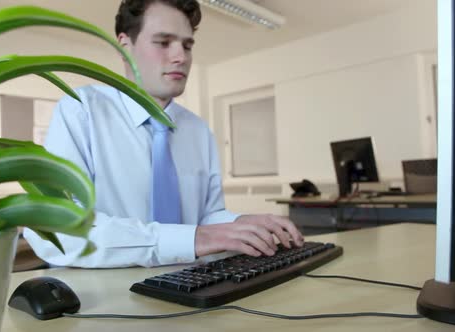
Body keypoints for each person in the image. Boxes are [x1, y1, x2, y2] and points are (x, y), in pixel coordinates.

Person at [24, 0, 304, 268]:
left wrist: (242, 223)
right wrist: (191, 239)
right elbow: (57, 226)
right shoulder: (81, 110)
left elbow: (208, 215)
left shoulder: (197, 130)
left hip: (192, 285)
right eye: (163, 42)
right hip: (109, 300)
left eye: (187, 45)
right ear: (125, 46)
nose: (180, 56)